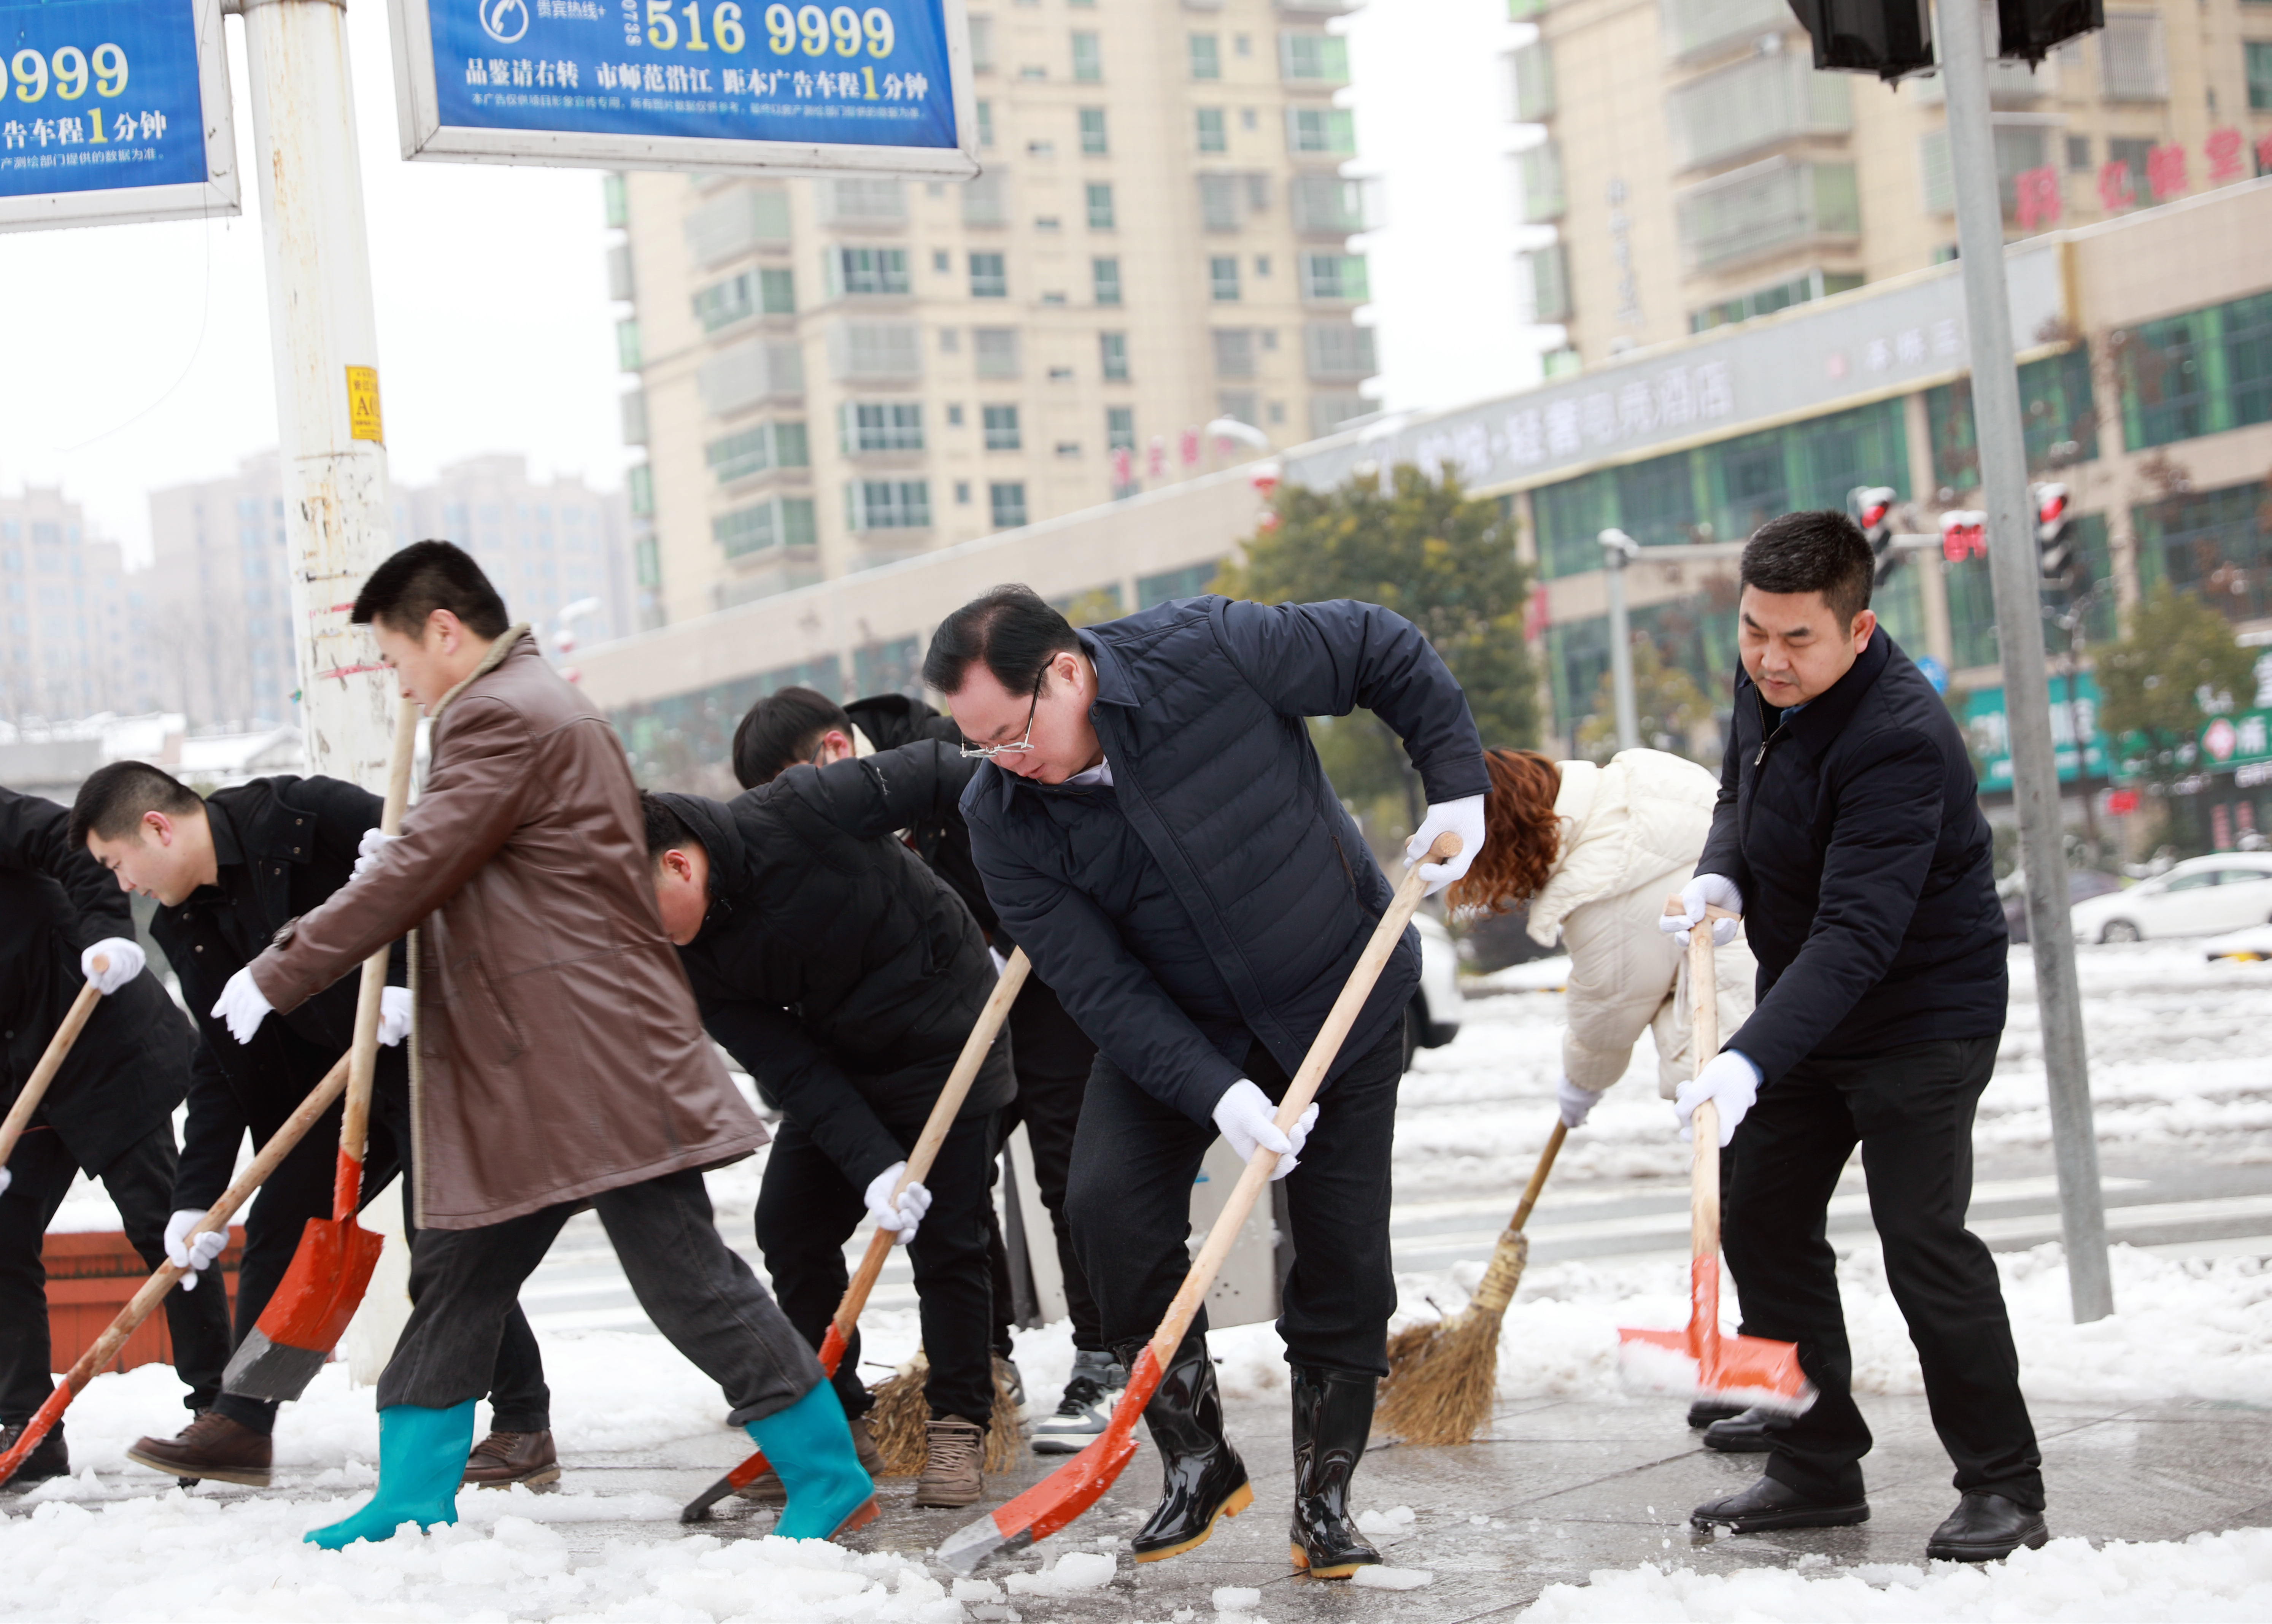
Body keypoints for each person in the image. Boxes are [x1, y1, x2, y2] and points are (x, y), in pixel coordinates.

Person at [207, 540, 871, 1550]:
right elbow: (494, 868)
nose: (401, 683)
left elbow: (426, 867)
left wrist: (282, 966)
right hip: (536, 1063)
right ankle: (411, 1493)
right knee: (458, 1270)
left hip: (585, 1057)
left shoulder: (498, 712)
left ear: (443, 631)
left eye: (397, 659)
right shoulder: (523, 705)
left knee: (684, 1278)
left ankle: (825, 1474)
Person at [925, 585, 1487, 1579]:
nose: (1005, 761)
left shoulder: (1208, 650)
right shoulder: (1001, 817)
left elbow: (1376, 648)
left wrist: (1455, 785)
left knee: (1342, 1248)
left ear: (1065, 672)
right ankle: (1198, 1458)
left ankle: (1324, 1497)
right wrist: (1219, 1094)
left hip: (1337, 995)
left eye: (1010, 733)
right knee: (1103, 1207)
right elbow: (1098, 986)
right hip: (1180, 1030)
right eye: (978, 745)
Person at [1662, 510, 2043, 1563]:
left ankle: (2004, 1488)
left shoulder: (1897, 740)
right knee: (1757, 1210)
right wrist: (1719, 868)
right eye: (1752, 633)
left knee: (1922, 1243)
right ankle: (1815, 1460)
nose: (1768, 661)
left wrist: (1744, 1057)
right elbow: (1739, 788)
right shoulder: (1763, 679)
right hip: (1812, 1001)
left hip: (1923, 1011)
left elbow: (1856, 933)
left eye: (1796, 641)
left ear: (1858, 628)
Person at [72, 761, 556, 1490]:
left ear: (157, 828)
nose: (123, 886)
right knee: (281, 1228)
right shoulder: (187, 921)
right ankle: (242, 1420)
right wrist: (195, 1196)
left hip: (437, 1055)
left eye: (116, 864)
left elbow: (452, 875)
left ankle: (524, 1425)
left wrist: (414, 992)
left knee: (441, 1246)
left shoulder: (303, 817)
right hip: (342, 1085)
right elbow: (221, 1056)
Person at [733, 686, 1122, 1454]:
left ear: (833, 756)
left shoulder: (949, 750)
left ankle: (1104, 1355)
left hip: (1043, 977)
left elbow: (1047, 808)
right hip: (943, 1016)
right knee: (954, 1186)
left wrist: (1027, 923)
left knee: (1068, 1167)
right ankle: (985, 1359)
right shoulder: (817, 822)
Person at [641, 744, 1011, 1507]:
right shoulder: (684, 959)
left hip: (950, 1035)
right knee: (790, 1224)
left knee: (949, 1238)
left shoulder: (800, 809)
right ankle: (836, 1421)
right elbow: (790, 1067)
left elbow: (950, 769)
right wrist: (874, 1164)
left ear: (679, 866)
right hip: (842, 1069)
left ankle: (958, 1424)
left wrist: (1020, 876)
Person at [1448, 745, 1764, 1437]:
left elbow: (1606, 1011)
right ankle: (1754, 1372)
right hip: (1774, 1007)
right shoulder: (1642, 777)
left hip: (1735, 1042)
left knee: (1752, 1222)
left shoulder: (1598, 886)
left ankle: (1774, 1388)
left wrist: (1578, 1087)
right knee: (1761, 1220)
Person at [0, 787, 218, 1489]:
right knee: (1, 1236)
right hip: (16, 1083)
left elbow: (78, 851)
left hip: (101, 1046)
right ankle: (24, 1427)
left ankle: (219, 1415)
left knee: (166, 1228)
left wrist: (107, 933)